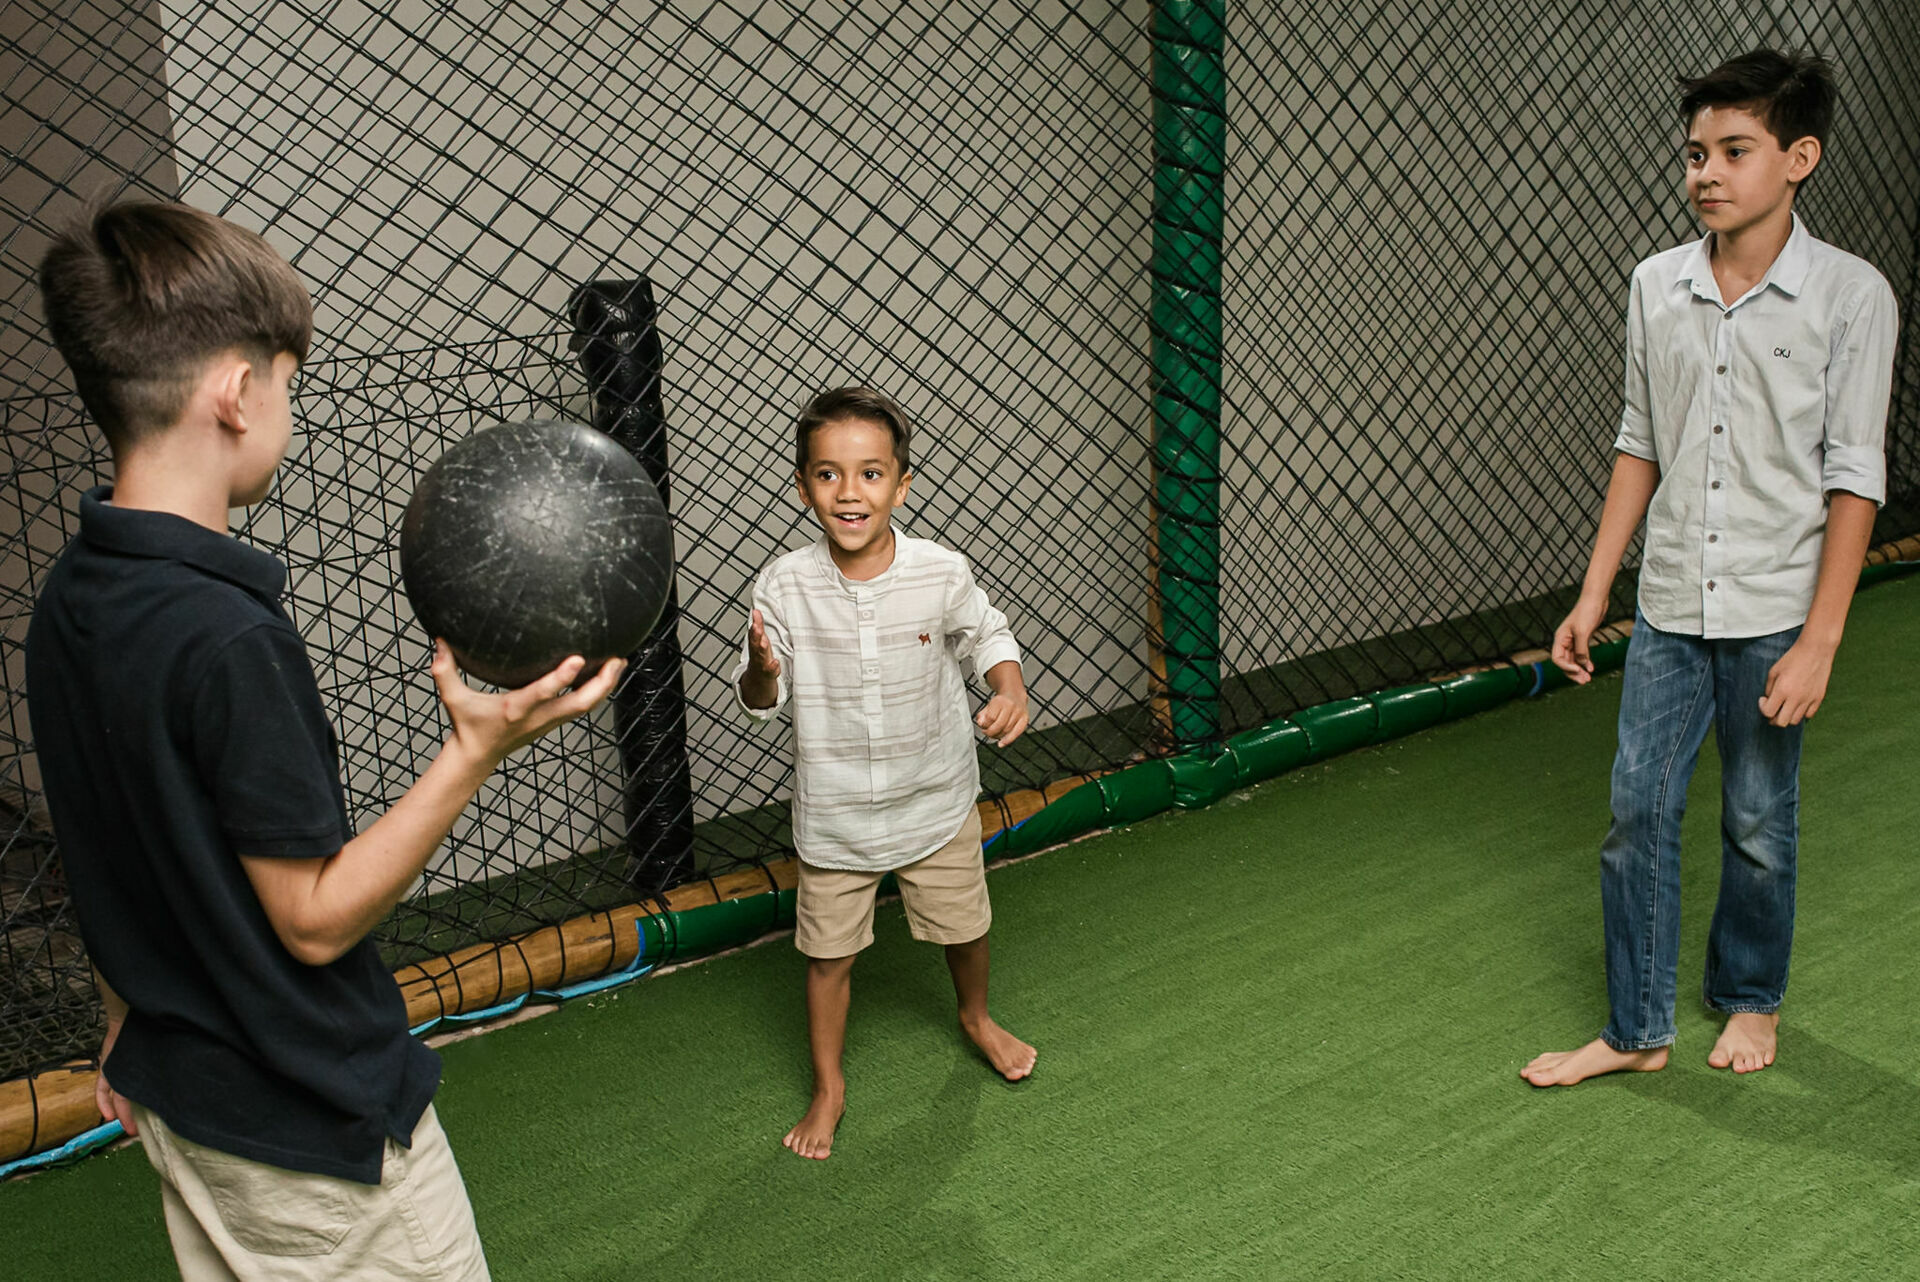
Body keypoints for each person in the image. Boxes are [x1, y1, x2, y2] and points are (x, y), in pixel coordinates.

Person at [27, 199, 622, 1277]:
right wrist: (473, 751)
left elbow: (104, 832)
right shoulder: (228, 637)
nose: (288, 411)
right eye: (288, 385)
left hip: (182, 1095)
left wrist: (123, 1024)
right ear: (237, 391)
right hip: (315, 1132)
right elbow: (312, 918)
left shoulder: (72, 596)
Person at [1522, 49, 1897, 1088]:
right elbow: (1641, 438)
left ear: (1800, 158)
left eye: (1736, 150)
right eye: (1695, 152)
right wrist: (1598, 590)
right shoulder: (1657, 284)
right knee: (1637, 808)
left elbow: (1855, 478)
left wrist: (1822, 638)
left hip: (1780, 609)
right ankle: (1638, 1027)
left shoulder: (1853, 297)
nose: (1706, 172)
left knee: (1756, 821)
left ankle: (1752, 999)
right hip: (1671, 604)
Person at [735, 386, 1038, 1160]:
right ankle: (829, 1086)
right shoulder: (783, 586)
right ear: (805, 487)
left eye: (870, 474)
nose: (849, 492)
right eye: (829, 475)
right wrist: (765, 672)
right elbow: (761, 696)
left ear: (901, 486)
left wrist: (1008, 686)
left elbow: (987, 636)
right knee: (827, 956)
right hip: (836, 814)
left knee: (966, 926)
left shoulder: (941, 571)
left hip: (936, 799)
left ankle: (974, 1016)